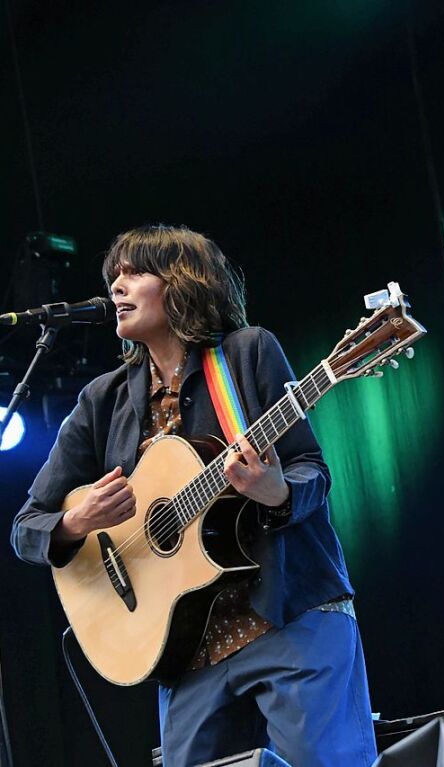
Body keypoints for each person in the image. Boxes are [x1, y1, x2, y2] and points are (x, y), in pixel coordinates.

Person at [10, 225, 377, 766]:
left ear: (183, 283)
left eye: (135, 273)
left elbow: (311, 471)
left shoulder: (248, 353)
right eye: (114, 276)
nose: (117, 286)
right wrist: (76, 522)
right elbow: (27, 526)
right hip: (188, 650)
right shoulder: (102, 400)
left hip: (286, 615)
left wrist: (276, 491)